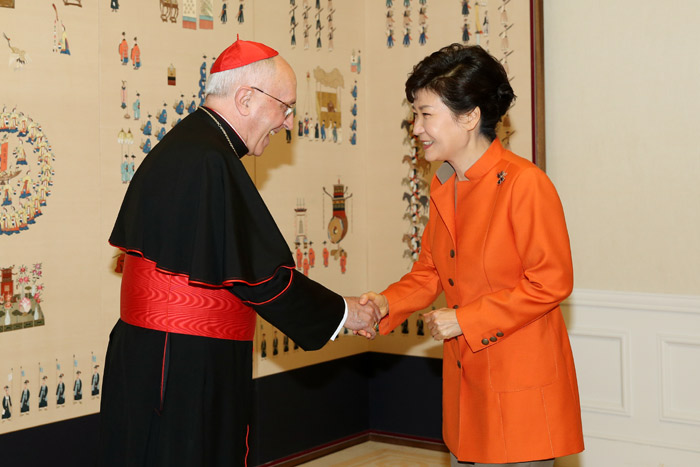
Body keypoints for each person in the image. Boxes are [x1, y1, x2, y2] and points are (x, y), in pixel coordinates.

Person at [98, 38, 381, 467]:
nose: (287, 123)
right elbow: (264, 279)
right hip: (186, 365)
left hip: (162, 356)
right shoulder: (209, 159)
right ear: (246, 98)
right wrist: (348, 313)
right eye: (285, 107)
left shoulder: (192, 145)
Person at [362, 44, 584, 466]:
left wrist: (465, 319)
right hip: (467, 388)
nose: (416, 128)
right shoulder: (444, 183)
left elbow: (550, 283)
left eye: (426, 114)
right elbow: (430, 271)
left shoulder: (526, 184)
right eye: (416, 114)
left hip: (521, 394)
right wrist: (386, 303)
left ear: (469, 116)